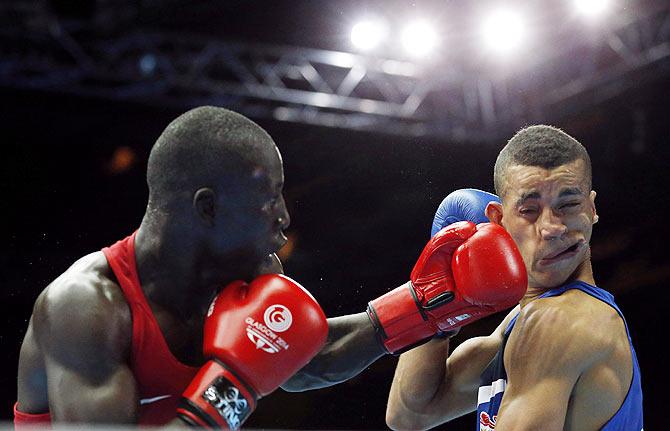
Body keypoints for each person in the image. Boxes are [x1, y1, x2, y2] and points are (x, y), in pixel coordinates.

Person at [15, 106, 527, 429]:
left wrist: (428, 305)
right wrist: (230, 389)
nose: (284, 216)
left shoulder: (241, 275)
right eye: (268, 199)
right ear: (207, 208)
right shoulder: (84, 309)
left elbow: (308, 359)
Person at [385, 125, 643, 430]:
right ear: (498, 220)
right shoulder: (520, 324)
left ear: (591, 207)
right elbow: (410, 414)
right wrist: (437, 304)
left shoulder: (563, 322)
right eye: (530, 210)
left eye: (569, 204)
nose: (552, 228)